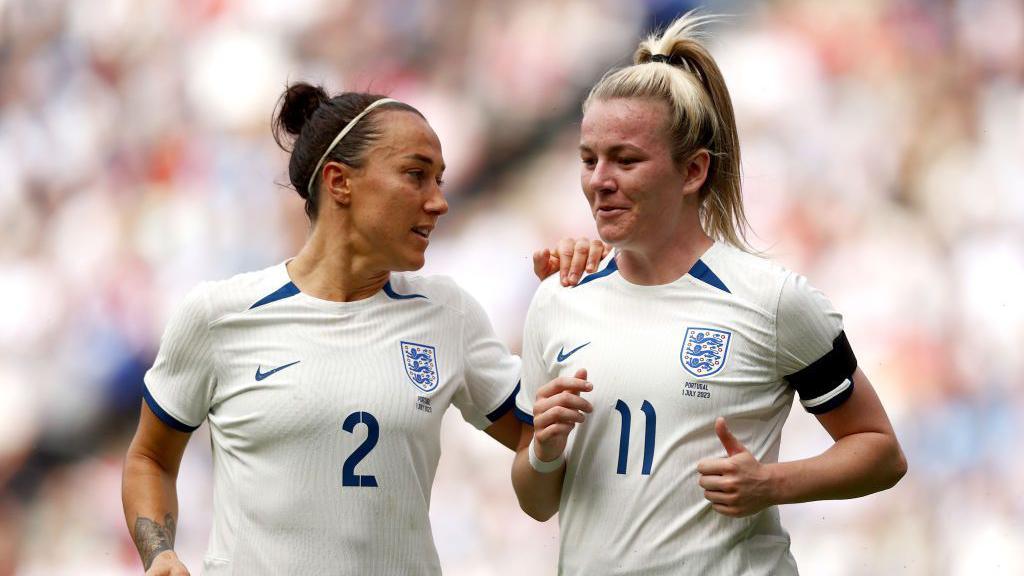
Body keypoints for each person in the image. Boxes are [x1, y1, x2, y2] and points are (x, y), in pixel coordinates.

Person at [121, 83, 605, 575]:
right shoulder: (219, 315)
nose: (439, 202)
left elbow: (548, 453)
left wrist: (575, 305)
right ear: (339, 183)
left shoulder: (447, 314)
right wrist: (159, 552)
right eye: (416, 175)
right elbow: (150, 460)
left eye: (439, 180)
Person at [511, 13, 908, 575]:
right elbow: (535, 501)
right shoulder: (559, 299)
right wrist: (545, 452)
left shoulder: (771, 300)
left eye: (626, 160)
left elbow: (880, 450)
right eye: (588, 158)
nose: (600, 179)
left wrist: (771, 484)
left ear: (693, 170)